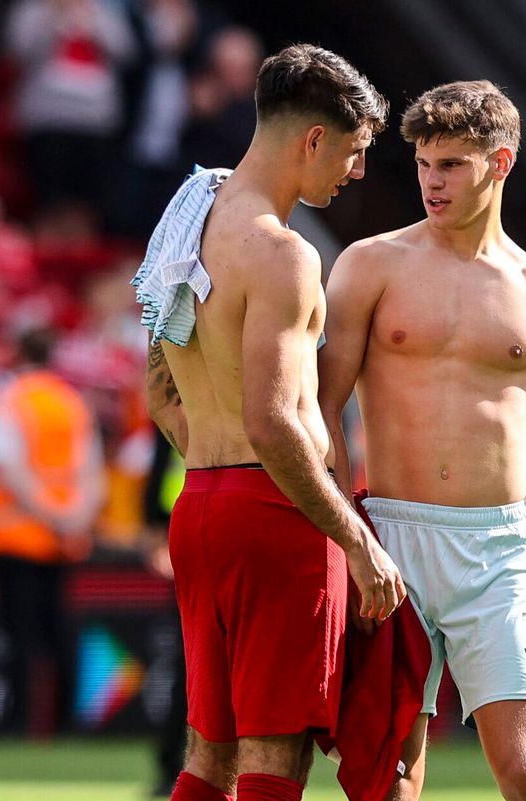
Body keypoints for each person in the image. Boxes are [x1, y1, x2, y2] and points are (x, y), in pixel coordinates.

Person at [318, 80, 526, 801]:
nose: (432, 180)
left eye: (451, 164)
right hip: (390, 538)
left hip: (500, 552)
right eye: (424, 162)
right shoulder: (368, 264)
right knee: (388, 780)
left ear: (500, 162)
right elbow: (323, 406)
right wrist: (347, 538)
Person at [131, 44, 405, 801]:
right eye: (352, 153)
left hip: (202, 507)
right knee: (273, 763)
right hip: (277, 515)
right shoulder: (284, 256)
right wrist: (353, 536)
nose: (355, 173)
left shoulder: (184, 223)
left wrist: (216, 470)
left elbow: (158, 389)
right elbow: (274, 421)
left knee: (206, 758)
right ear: (313, 139)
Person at [0, 327, 105, 735]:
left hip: (13, 537)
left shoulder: (6, 399)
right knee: (58, 628)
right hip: (63, 538)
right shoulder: (71, 402)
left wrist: (49, 515)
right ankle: (67, 722)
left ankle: (20, 721)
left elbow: (9, 470)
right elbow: (90, 470)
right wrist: (73, 517)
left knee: (19, 634)